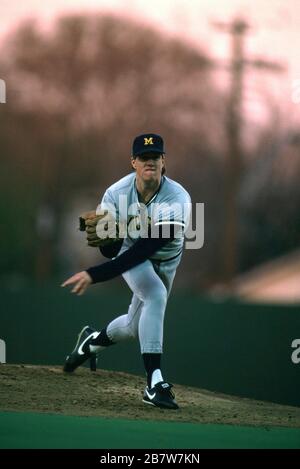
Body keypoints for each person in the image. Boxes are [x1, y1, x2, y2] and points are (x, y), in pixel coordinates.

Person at [62, 133, 191, 410]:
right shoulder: (116, 194)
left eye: (155, 156)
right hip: (131, 254)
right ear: (133, 161)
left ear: (163, 161)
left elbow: (147, 248)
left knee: (134, 326)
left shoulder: (178, 198)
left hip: (164, 260)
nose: (150, 162)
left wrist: (95, 274)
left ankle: (92, 342)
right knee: (155, 295)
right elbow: (112, 250)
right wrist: (110, 245)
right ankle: (154, 383)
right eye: (144, 157)